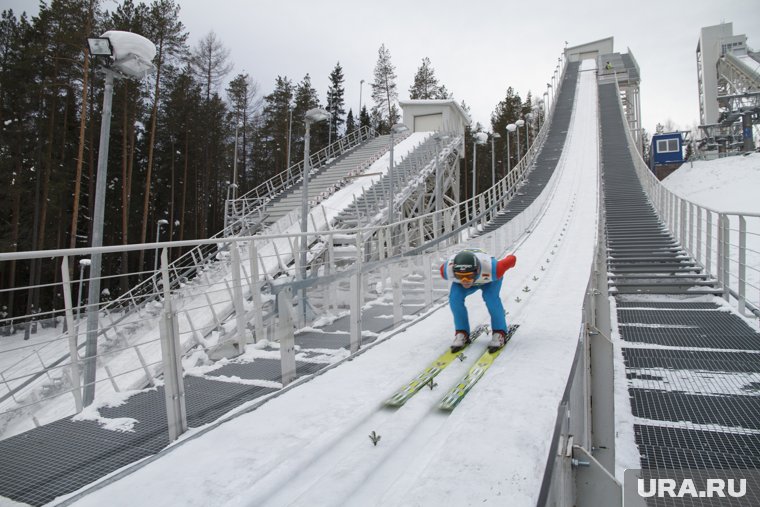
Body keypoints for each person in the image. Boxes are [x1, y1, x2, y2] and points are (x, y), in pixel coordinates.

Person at [440, 248, 517, 353]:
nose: (465, 280)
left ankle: (500, 332)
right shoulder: (446, 271)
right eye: (460, 276)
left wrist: (510, 256)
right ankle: (461, 332)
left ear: (477, 270)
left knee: (490, 298)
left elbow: (512, 260)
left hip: (489, 279)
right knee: (454, 299)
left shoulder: (495, 269)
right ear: (454, 272)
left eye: (469, 276)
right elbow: (463, 278)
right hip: (478, 277)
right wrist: (467, 277)